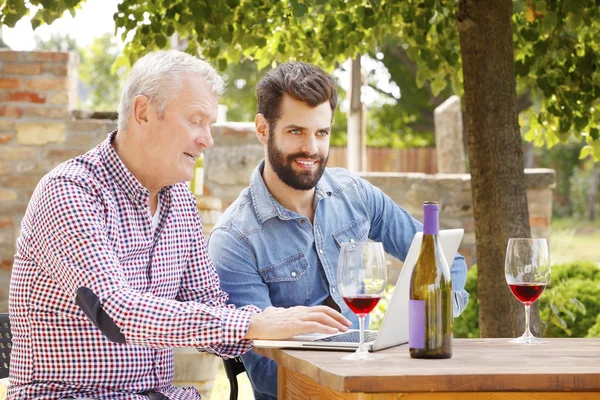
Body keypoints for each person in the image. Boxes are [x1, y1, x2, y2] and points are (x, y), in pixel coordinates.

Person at [7, 51, 350, 400]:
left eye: (210, 125)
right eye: (196, 120)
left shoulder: (179, 201)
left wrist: (298, 329)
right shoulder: (71, 192)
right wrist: (253, 323)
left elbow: (210, 306)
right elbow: (116, 311)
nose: (208, 139)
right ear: (143, 113)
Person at [208, 62, 470, 399]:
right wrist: (363, 374)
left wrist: (425, 319)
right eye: (295, 132)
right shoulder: (234, 240)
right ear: (263, 129)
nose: (312, 149)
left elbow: (450, 261)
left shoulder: (355, 194)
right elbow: (267, 375)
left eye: (321, 133)